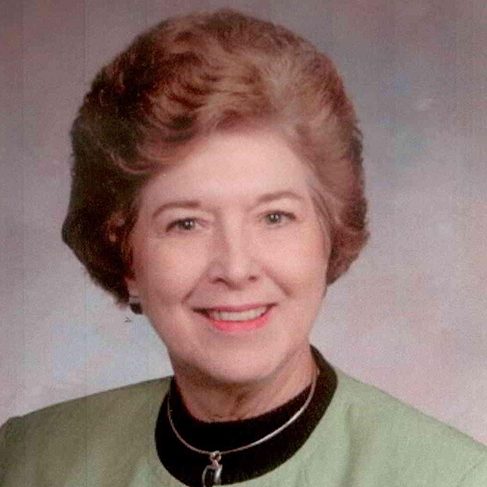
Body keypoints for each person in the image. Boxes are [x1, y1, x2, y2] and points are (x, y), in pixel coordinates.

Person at [0, 9, 485, 487]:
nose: (235, 267)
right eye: (186, 223)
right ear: (125, 256)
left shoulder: (453, 477)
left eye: (275, 217)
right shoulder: (28, 461)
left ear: (329, 236)